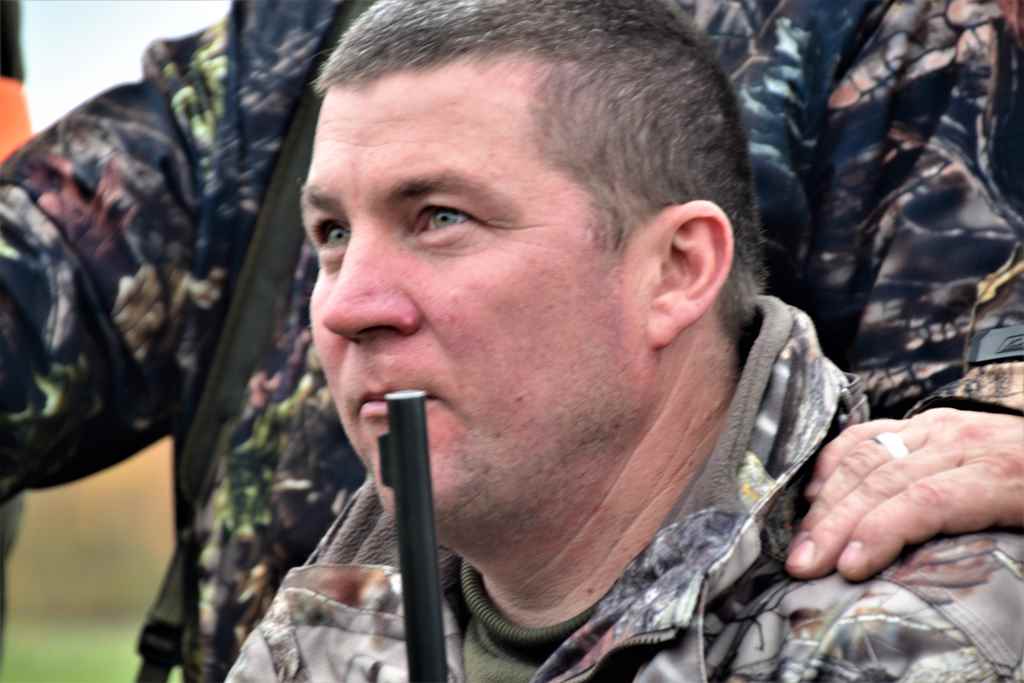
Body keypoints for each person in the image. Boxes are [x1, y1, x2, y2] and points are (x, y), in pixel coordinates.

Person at [0, 0, 1020, 680]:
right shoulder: (293, 45)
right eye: (329, 234)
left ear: (679, 268)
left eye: (441, 216)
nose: (348, 306)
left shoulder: (915, 31)